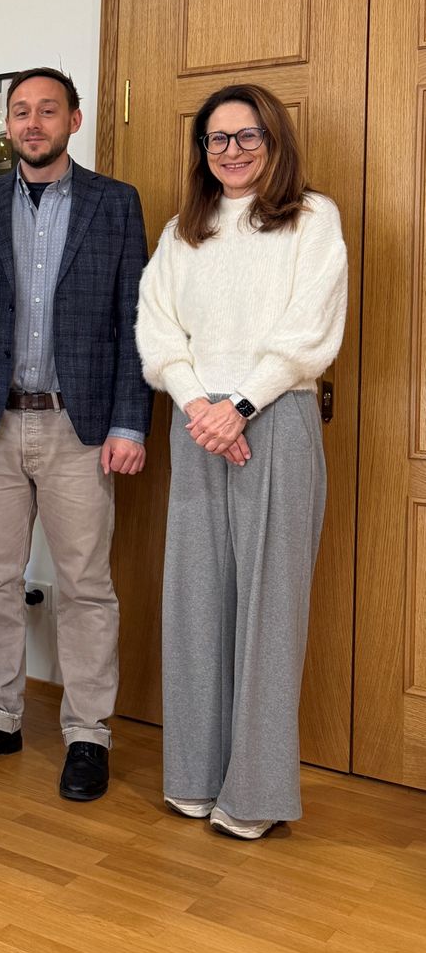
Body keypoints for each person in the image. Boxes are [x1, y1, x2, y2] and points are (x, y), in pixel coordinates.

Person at [0, 67, 150, 802]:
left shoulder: (115, 204)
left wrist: (129, 420)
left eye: (47, 110)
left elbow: (134, 321)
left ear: (74, 120)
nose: (32, 123)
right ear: (7, 124)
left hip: (79, 426)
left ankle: (89, 733)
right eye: (20, 111)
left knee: (85, 585)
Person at [135, 84, 346, 840]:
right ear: (203, 151)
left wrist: (241, 406)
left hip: (276, 420)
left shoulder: (312, 219)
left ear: (273, 140)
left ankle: (254, 794)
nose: (231, 151)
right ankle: (194, 776)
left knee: (269, 610)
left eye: (247, 136)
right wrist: (200, 405)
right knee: (194, 601)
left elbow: (308, 328)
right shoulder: (181, 232)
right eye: (217, 139)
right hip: (197, 425)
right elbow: (157, 328)